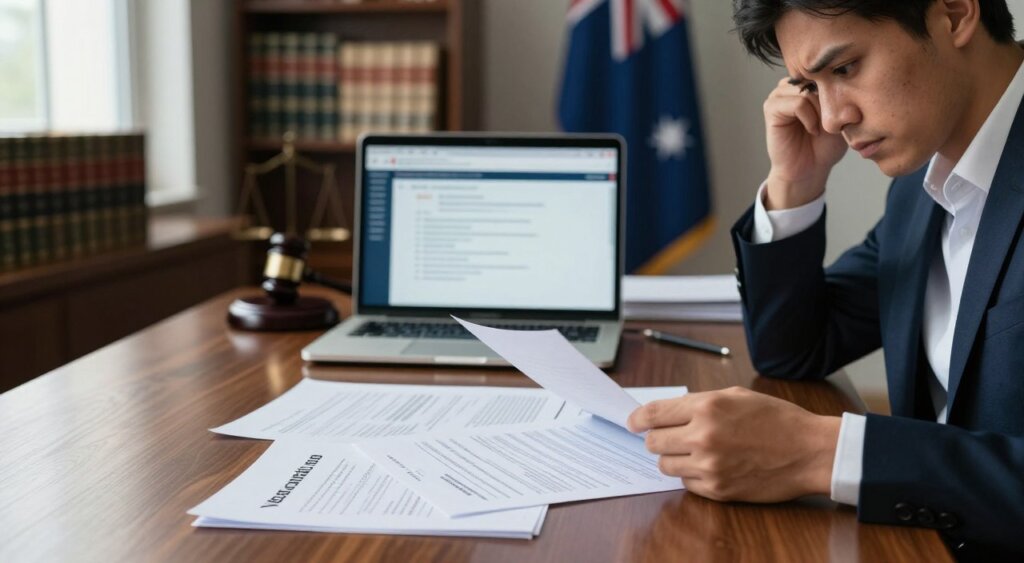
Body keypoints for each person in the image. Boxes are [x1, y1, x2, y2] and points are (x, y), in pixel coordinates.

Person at [625, 1, 1024, 560]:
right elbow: (796, 346)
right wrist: (795, 180)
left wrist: (823, 453)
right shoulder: (924, 185)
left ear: (955, 14)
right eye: (809, 84)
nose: (833, 117)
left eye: (845, 69)